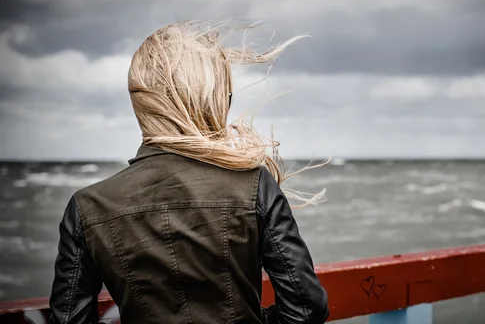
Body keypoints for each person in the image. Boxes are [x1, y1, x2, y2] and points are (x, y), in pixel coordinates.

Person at [49, 21, 329, 324]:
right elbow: (306, 310)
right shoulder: (253, 186)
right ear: (212, 100)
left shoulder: (87, 207)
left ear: (142, 104)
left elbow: (68, 321)